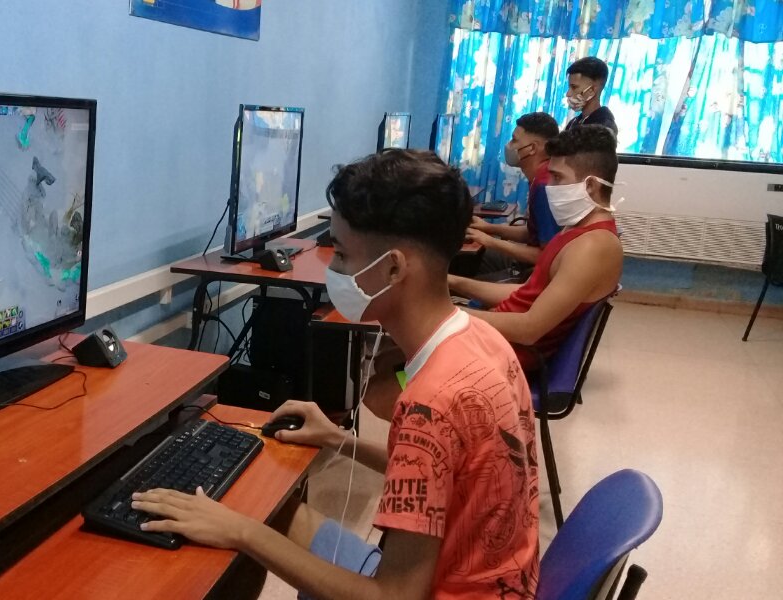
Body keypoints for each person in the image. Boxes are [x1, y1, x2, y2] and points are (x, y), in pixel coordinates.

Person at [132, 150, 540, 599]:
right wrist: (336, 438)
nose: (334, 270)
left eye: (342, 255)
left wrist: (241, 532)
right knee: (282, 511)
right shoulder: (483, 339)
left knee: (249, 534)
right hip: (499, 580)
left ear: (394, 267)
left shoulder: (432, 399)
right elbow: (450, 475)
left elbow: (392, 597)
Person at [449, 125, 623, 371]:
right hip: (499, 342)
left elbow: (530, 329)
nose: (548, 184)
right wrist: (453, 282)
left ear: (591, 186)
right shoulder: (575, 230)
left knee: (395, 367)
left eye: (557, 177)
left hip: (506, 357)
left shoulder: (592, 247)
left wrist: (447, 314)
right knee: (396, 355)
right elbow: (527, 293)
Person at [468, 112, 561, 280]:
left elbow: (547, 256)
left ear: (532, 148)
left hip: (532, 277)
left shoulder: (543, 186)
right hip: (529, 267)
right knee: (468, 260)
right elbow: (534, 234)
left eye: (514, 140)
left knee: (460, 276)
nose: (509, 145)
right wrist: (488, 228)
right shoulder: (541, 177)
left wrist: (490, 241)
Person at [564, 57, 617, 135]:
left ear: (591, 91)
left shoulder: (603, 131)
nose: (568, 94)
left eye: (574, 87)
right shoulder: (574, 123)